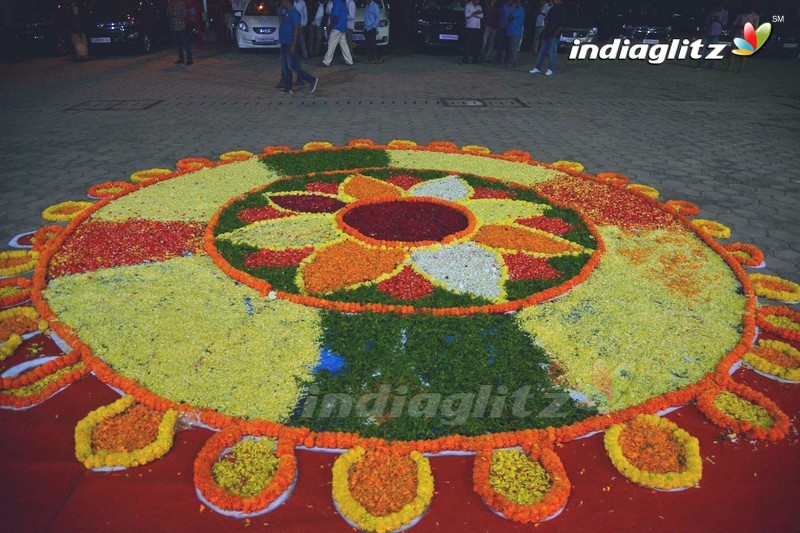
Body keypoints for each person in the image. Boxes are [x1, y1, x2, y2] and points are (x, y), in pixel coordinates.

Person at [278, 0, 319, 94]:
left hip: (290, 44)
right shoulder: (286, 13)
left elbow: (297, 29)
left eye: (283, 2)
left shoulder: (295, 13)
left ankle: (311, 79)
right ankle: (288, 87)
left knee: (293, 66)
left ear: (288, 2)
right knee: (286, 67)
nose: (282, 3)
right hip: (285, 43)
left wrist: (293, 45)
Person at [530, 0, 563, 75]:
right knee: (542, 52)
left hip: (554, 35)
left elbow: (561, 25)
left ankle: (550, 69)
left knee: (552, 53)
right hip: (547, 33)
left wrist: (555, 34)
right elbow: (546, 19)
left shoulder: (562, 11)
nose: (555, 1)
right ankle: (537, 68)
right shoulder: (552, 9)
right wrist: (546, 24)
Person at [726, 6, 759, 73]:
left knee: (744, 54)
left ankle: (740, 69)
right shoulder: (741, 15)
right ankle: (729, 67)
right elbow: (734, 24)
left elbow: (756, 27)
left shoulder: (755, 16)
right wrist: (740, 26)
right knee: (733, 52)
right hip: (738, 34)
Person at [321, 0, 353, 66]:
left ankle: (326, 62)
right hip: (342, 27)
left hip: (336, 28)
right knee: (344, 45)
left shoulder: (337, 4)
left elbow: (336, 17)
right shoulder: (341, 3)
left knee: (331, 44)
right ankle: (349, 61)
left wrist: (329, 26)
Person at [696, 4, 728, 69]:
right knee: (703, 49)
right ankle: (700, 64)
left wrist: (719, 20)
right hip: (708, 31)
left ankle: (711, 66)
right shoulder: (712, 11)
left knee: (713, 49)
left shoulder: (725, 13)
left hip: (716, 32)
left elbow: (725, 23)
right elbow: (707, 21)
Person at [168, 0, 192, 65]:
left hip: (181, 27)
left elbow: (184, 14)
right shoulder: (171, 4)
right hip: (174, 27)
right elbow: (169, 15)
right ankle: (181, 59)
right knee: (178, 44)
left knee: (185, 44)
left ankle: (189, 59)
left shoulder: (181, 4)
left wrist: (175, 15)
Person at [505, 0, 524, 66]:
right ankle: (514, 62)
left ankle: (511, 62)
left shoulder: (519, 10)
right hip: (513, 31)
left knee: (513, 49)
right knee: (512, 48)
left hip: (515, 31)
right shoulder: (517, 10)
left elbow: (511, 17)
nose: (516, 3)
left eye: (517, 2)